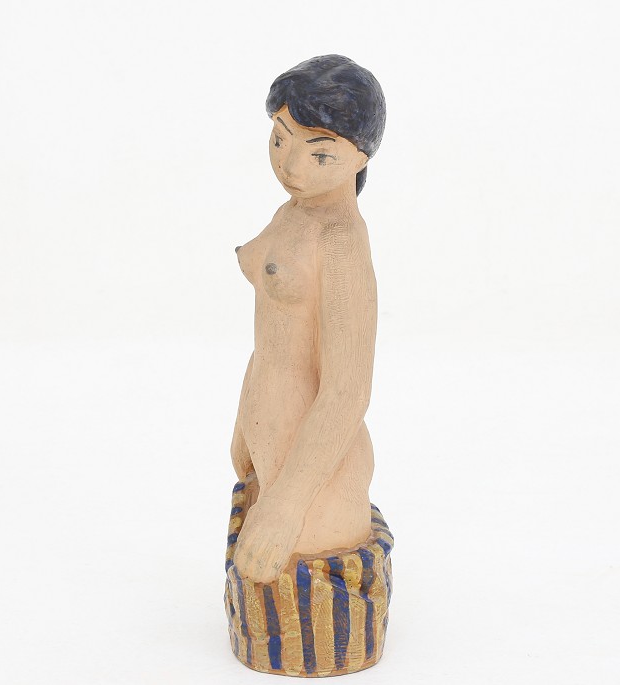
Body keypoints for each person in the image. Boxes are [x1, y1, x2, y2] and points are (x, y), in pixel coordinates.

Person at [225, 55, 393, 677]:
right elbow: (273, 342)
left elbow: (347, 390)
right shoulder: (293, 214)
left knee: (305, 608)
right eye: (279, 139)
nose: (290, 165)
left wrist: (286, 505)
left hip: (315, 481)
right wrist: (244, 429)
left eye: (319, 153)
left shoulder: (340, 243)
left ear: (360, 158)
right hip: (271, 452)